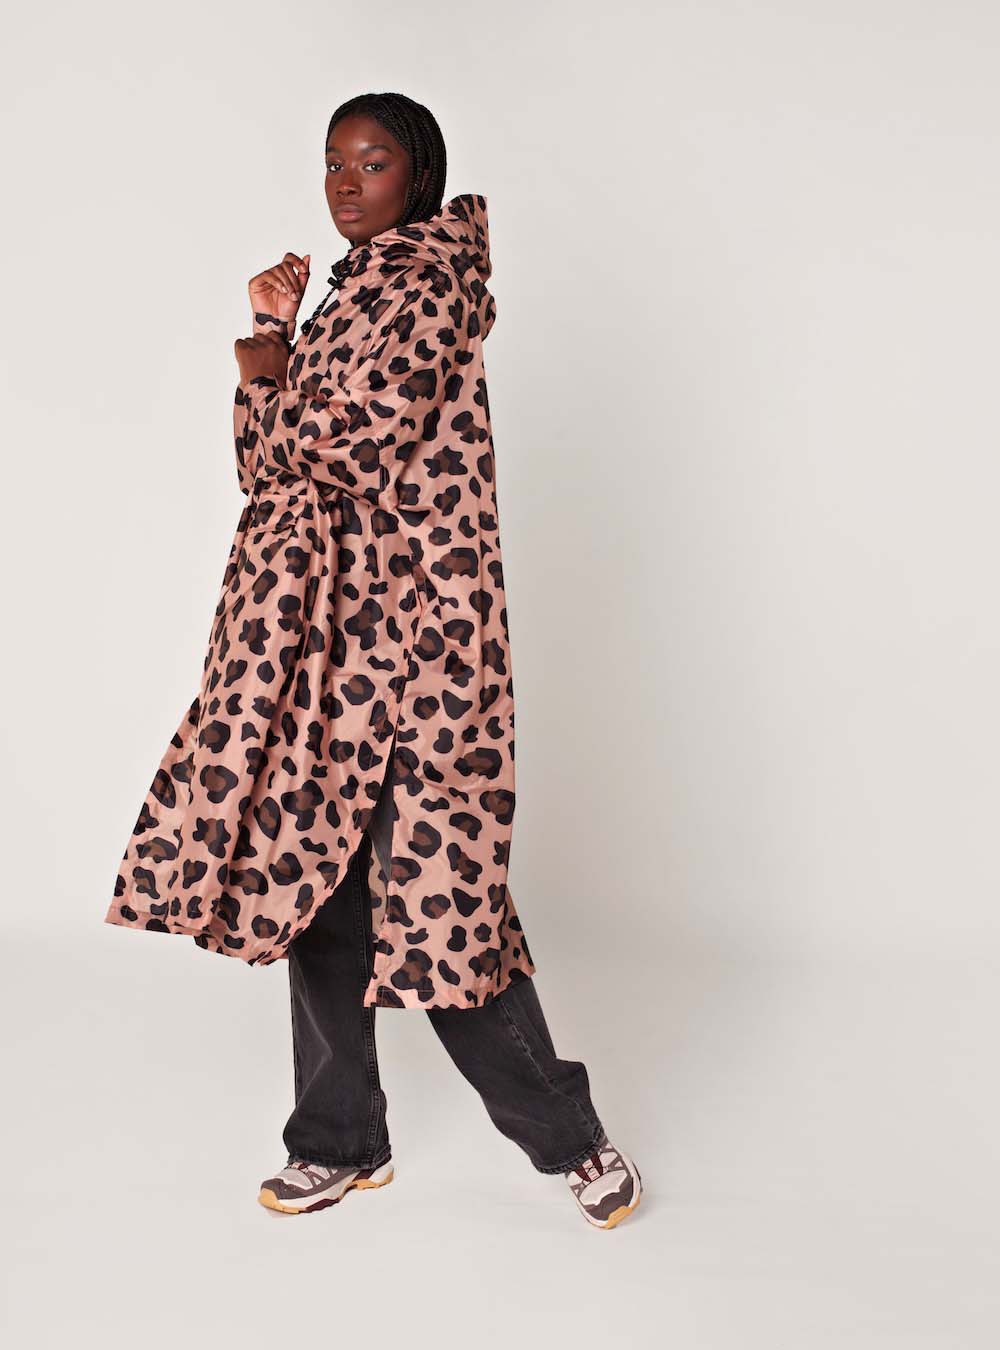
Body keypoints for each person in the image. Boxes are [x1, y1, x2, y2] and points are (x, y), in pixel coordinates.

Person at [104, 90, 641, 1230]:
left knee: (445, 906)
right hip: (322, 645)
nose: (347, 183)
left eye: (374, 161)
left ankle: (571, 1140)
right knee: (314, 888)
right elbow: (268, 473)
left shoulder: (429, 286)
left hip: (418, 647)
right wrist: (274, 342)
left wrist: (265, 369)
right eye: (334, 162)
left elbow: (347, 445)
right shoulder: (355, 289)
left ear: (419, 175)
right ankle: (339, 1141)